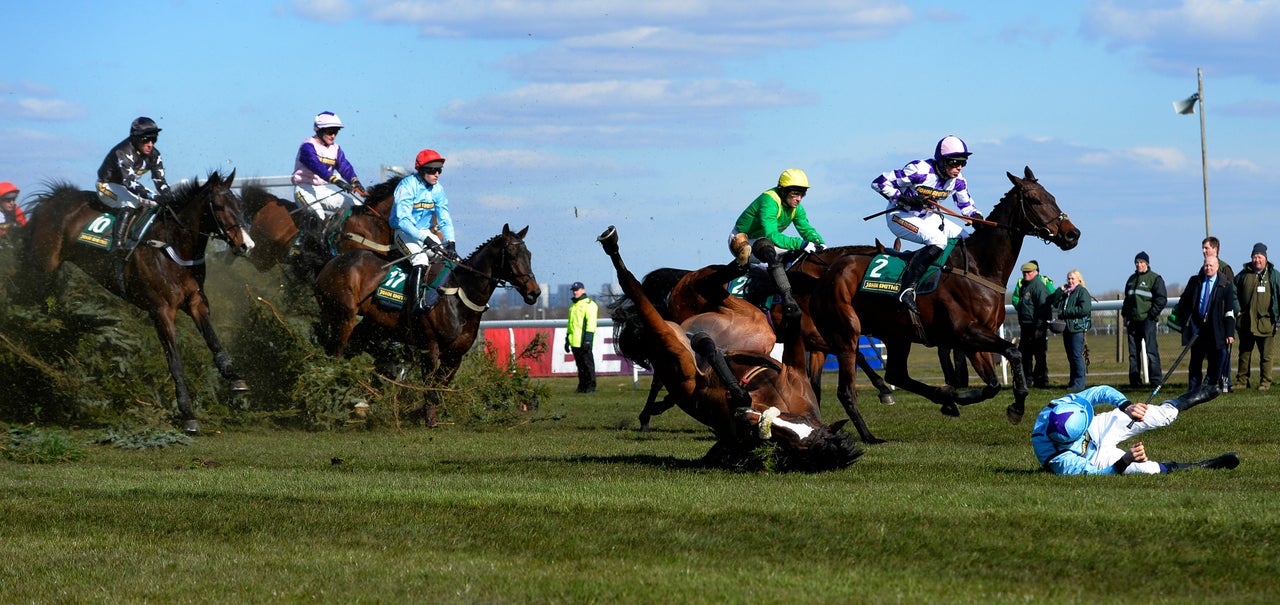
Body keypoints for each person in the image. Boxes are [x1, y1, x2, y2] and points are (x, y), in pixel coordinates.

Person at [872, 135, 984, 312]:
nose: (959, 167)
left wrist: (977, 218)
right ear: (942, 161)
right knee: (938, 240)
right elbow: (879, 183)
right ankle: (907, 289)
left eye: (963, 162)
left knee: (965, 238)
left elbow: (967, 206)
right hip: (899, 215)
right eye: (955, 162)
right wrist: (903, 198)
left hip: (926, 217)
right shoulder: (919, 170)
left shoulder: (958, 180)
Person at [1030, 384, 1237, 475]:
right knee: (1145, 470)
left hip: (1096, 430)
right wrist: (1125, 460)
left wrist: (1125, 405)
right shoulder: (1061, 462)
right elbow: (1098, 475)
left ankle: (1182, 402)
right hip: (1092, 458)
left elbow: (1099, 392)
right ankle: (1202, 466)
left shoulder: (1059, 406)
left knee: (1152, 415)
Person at [729, 168, 825, 318]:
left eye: (802, 194)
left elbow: (806, 228)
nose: (799, 199)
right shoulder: (769, 201)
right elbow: (772, 235)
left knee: (795, 255)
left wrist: (819, 243)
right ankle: (763, 307)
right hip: (742, 240)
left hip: (765, 241)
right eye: (795, 194)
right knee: (773, 255)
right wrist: (801, 244)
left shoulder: (796, 208)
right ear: (783, 191)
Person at [96, 117, 172, 258]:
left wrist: (168, 195)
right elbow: (130, 182)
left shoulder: (155, 155)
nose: (150, 144)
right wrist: (154, 196)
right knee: (131, 202)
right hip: (107, 186)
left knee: (158, 204)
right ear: (136, 139)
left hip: (126, 187)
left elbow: (159, 180)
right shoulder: (122, 152)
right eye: (146, 140)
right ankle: (117, 245)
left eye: (154, 140)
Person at [391, 149, 455, 314]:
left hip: (425, 232)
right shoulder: (406, 186)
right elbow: (403, 220)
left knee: (449, 260)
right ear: (422, 170)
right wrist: (425, 239)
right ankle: (415, 305)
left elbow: (444, 218)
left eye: (439, 170)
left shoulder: (438, 189)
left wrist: (451, 242)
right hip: (403, 232)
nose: (437, 174)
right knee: (420, 259)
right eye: (433, 170)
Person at [291, 111, 365, 241]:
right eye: (330, 131)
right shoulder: (307, 146)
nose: (333, 135)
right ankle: (300, 246)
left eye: (336, 131)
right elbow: (317, 167)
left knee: (357, 206)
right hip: (304, 189)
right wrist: (337, 181)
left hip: (323, 190)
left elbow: (344, 167)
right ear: (319, 129)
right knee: (318, 214)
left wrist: (355, 182)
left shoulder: (335, 149)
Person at [1175, 256, 1238, 391]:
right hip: (1197, 328)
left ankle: (1213, 384)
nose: (1208, 268)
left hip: (1216, 328)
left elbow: (1229, 311)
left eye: (1211, 266)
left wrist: (1230, 332)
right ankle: (1193, 389)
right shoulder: (1195, 282)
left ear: (1217, 267)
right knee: (1196, 360)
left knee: (1220, 355)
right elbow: (1185, 301)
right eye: (1206, 266)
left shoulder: (1225, 285)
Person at [1233, 242, 1279, 391]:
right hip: (1246, 322)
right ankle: (1242, 381)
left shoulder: (1274, 275)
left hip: (1266, 322)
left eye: (1259, 257)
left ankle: (1265, 382)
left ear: (1265, 258)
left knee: (1266, 356)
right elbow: (1232, 292)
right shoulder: (1243, 275)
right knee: (1244, 354)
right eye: (1254, 257)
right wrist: (1237, 309)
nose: (1257, 260)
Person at [1122, 251, 1168, 388]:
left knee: (1151, 351)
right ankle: (1135, 382)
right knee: (1133, 354)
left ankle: (1156, 381)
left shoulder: (1154, 278)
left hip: (1148, 320)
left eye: (1141, 262)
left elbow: (1161, 299)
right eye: (1137, 262)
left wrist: (1152, 315)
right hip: (1133, 321)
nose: (1139, 265)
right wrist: (1125, 315)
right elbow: (1127, 300)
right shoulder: (1131, 279)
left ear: (1147, 264)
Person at [1202, 236, 1236, 391]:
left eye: (1206, 248)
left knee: (1222, 352)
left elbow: (1231, 294)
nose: (1203, 251)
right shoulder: (1203, 268)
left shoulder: (1224, 268)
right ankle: (1211, 379)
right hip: (1207, 322)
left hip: (1221, 321)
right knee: (1210, 353)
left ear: (1215, 249)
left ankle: (1224, 380)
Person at [1049, 269, 1092, 391]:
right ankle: (1073, 381)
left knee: (1076, 355)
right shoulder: (1067, 293)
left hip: (1077, 328)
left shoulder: (1082, 292)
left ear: (1079, 279)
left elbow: (1084, 309)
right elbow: (1053, 302)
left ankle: (1079, 383)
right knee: (1070, 356)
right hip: (1067, 328)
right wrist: (1060, 290)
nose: (1070, 281)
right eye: (1068, 278)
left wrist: (1065, 313)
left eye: (1073, 278)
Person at [1013, 260, 1052, 388]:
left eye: (1028, 272)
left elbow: (1043, 308)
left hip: (1036, 327)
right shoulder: (1024, 285)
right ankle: (1027, 380)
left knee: (1039, 355)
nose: (1025, 274)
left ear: (1035, 272)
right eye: (1024, 272)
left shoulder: (1039, 287)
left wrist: (1039, 327)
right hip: (1026, 327)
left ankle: (1041, 381)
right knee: (1025, 355)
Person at [565, 281, 599, 393]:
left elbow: (591, 323)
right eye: (574, 290)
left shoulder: (590, 304)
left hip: (583, 340)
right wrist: (567, 339)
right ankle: (582, 386)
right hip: (574, 340)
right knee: (580, 365)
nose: (575, 292)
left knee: (588, 364)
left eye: (577, 290)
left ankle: (591, 386)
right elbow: (571, 324)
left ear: (583, 290)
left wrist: (588, 339)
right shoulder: (573, 306)